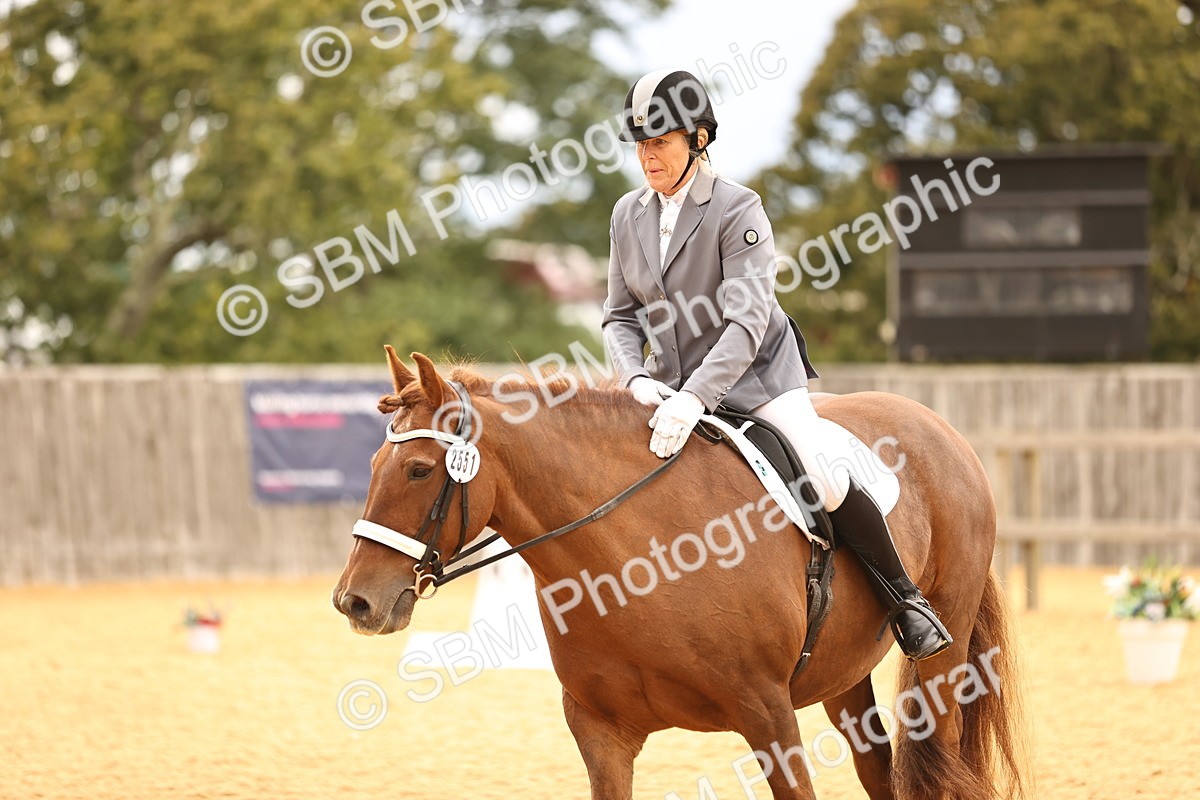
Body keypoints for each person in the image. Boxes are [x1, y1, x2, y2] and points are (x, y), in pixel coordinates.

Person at [601, 69, 951, 660]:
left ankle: (905, 600)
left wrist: (695, 398)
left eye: (660, 141)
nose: (648, 155)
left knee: (821, 471)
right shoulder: (626, 215)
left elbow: (745, 321)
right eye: (640, 143)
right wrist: (635, 379)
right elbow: (618, 317)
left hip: (756, 379)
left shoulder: (739, 209)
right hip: (665, 386)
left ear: (698, 139)